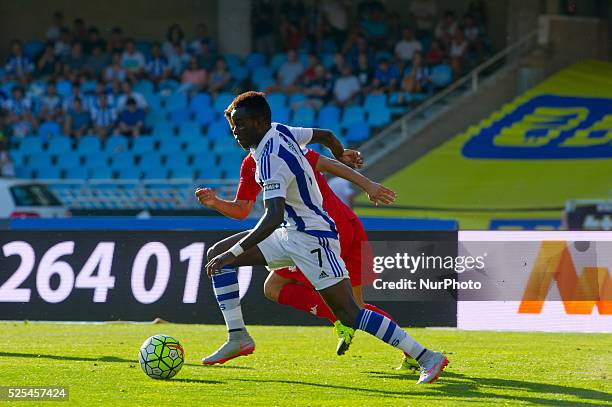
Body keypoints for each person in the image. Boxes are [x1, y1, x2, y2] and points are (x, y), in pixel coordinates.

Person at [198, 91, 448, 384]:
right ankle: (238, 336)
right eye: (233, 126)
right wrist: (340, 152)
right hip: (290, 232)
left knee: (350, 313)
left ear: (258, 121)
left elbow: (272, 215)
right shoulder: (280, 130)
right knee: (219, 255)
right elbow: (326, 135)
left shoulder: (268, 159)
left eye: (240, 125)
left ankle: (426, 356)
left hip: (312, 238)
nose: (235, 132)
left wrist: (237, 251)